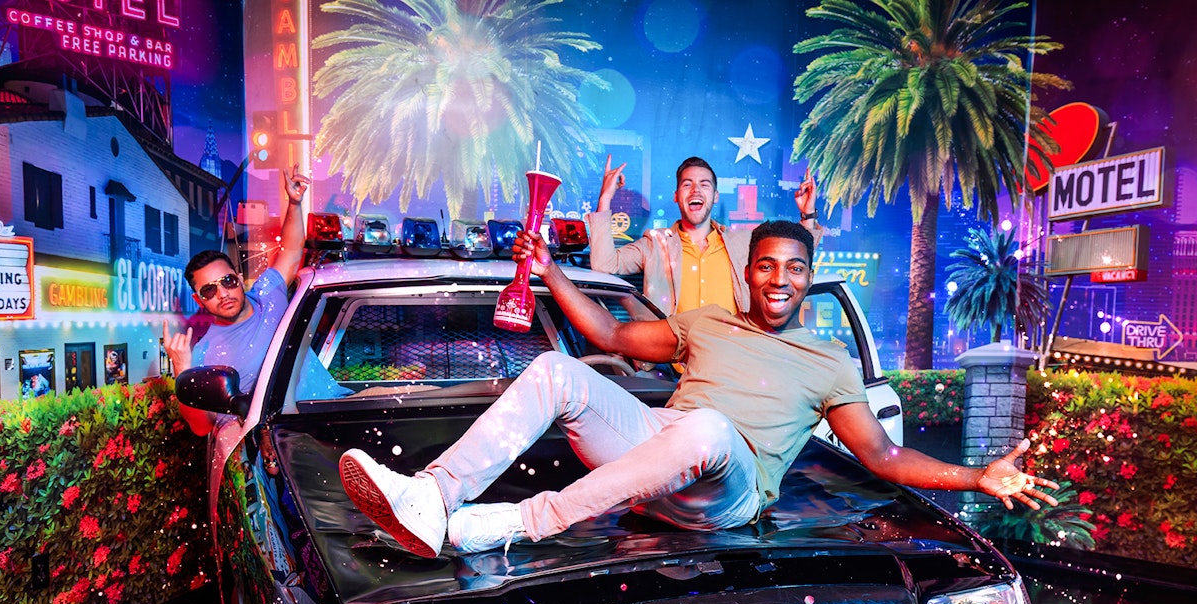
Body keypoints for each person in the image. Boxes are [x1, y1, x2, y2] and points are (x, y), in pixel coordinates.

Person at [338, 220, 1057, 559]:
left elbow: (884, 458)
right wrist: (552, 272)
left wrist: (976, 478)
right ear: (749, 272)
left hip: (729, 493)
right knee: (558, 372)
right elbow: (609, 338)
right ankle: (434, 498)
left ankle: (515, 524)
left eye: (795, 268)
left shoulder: (828, 358)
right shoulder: (706, 320)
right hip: (658, 463)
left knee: (708, 428)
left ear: (809, 276)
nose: (780, 279)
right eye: (768, 266)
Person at [164, 165, 349, 436]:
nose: (223, 293)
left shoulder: (267, 294)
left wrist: (294, 203)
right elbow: (202, 428)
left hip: (338, 410)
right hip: (292, 440)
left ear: (239, 277)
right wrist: (181, 368)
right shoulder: (204, 355)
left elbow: (291, 249)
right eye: (209, 291)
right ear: (198, 299)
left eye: (227, 281)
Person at [587, 155, 822, 316]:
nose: (696, 190)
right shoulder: (655, 243)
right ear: (676, 196)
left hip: (732, 369)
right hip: (671, 373)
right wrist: (605, 199)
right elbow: (603, 265)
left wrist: (808, 213)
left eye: (704, 184)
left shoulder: (744, 242)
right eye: (687, 184)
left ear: (716, 196)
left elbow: (796, 252)